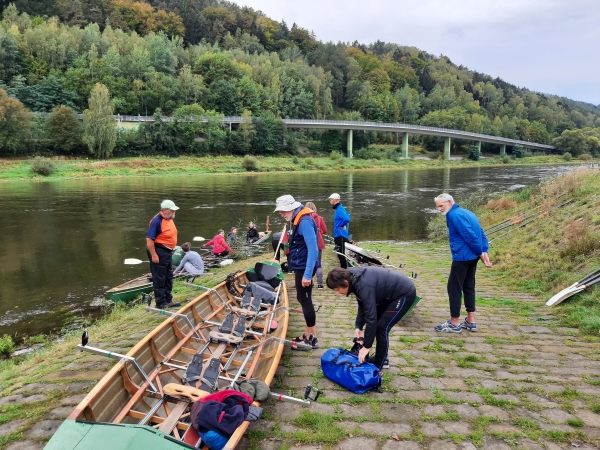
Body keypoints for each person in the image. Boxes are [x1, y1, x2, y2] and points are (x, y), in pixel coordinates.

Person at [326, 266, 417, 370]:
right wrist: (358, 327)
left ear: (345, 282)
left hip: (404, 293)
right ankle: (380, 357)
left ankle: (379, 364)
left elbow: (371, 317)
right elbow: (363, 303)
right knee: (377, 324)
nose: (337, 293)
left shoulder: (363, 285)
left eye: (338, 289)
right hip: (386, 294)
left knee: (382, 327)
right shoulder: (352, 277)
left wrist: (366, 346)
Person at [434, 193, 493, 333]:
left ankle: (454, 323)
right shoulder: (467, 212)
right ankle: (470, 320)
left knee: (453, 287)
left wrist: (481, 252)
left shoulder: (453, 215)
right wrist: (483, 251)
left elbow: (471, 236)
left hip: (463, 256)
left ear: (449, 202)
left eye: (441, 206)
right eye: (438, 207)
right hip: (472, 256)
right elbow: (481, 233)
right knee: (469, 285)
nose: (439, 209)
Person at [274, 195, 319, 349]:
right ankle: (308, 334)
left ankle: (311, 339)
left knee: (305, 300)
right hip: (300, 265)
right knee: (302, 297)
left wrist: (307, 275)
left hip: (304, 266)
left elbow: (313, 249)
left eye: (282, 211)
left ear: (291, 208)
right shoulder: (297, 219)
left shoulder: (304, 221)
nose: (281, 214)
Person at [146, 199, 181, 309]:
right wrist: (154, 255)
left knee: (168, 277)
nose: (174, 212)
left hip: (167, 252)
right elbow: (149, 240)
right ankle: (160, 303)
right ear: (165, 210)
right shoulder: (157, 221)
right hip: (158, 251)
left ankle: (168, 300)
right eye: (172, 210)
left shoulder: (168, 218)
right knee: (159, 278)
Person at [305, 202, 328, 289]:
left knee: (308, 262)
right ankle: (320, 284)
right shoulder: (319, 218)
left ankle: (310, 281)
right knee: (318, 264)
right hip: (318, 242)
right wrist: (319, 232)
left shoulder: (304, 218)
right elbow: (325, 230)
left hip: (307, 243)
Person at [329, 193, 351, 269]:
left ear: (335, 200)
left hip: (340, 234)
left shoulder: (339, 209)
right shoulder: (340, 208)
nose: (330, 201)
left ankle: (344, 271)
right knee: (340, 253)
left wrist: (340, 225)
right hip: (340, 234)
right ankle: (344, 270)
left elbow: (347, 219)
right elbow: (347, 216)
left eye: (331, 199)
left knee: (340, 254)